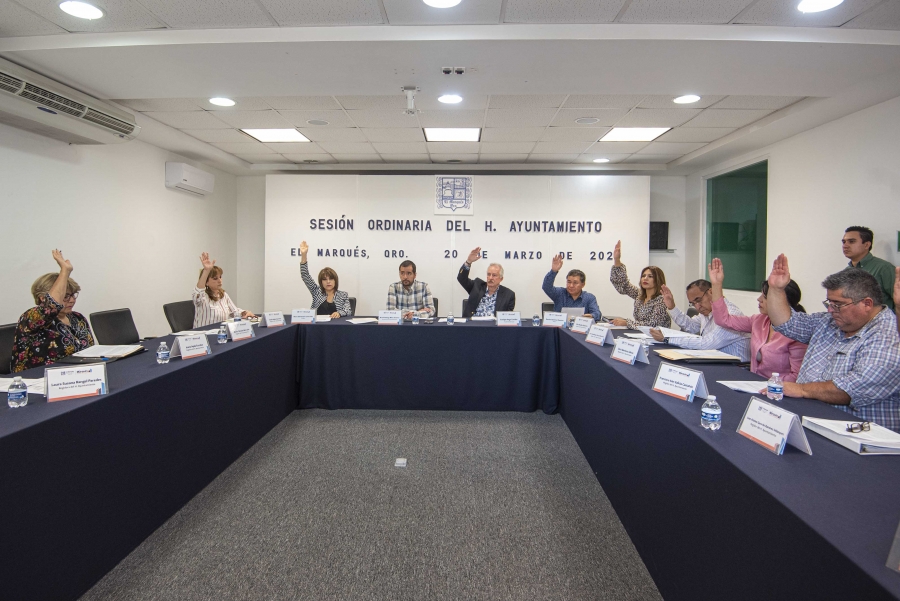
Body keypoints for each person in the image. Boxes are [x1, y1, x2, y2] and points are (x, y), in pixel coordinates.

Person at [768, 254, 900, 432]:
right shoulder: (830, 322)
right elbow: (787, 324)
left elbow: (855, 387)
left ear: (867, 304)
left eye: (837, 304)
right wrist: (776, 289)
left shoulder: (889, 333)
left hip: (858, 435)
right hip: (813, 423)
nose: (830, 310)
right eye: (829, 303)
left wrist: (802, 390)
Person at [708, 257, 807, 382]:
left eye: (765, 297)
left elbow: (797, 377)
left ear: (781, 300)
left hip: (778, 389)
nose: (759, 299)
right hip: (753, 384)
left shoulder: (798, 331)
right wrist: (717, 285)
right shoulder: (759, 320)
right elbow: (723, 320)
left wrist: (769, 386)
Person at [11, 249, 95, 372]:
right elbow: (52, 306)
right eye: (65, 296)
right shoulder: (31, 317)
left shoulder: (78, 318)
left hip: (77, 375)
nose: (72, 300)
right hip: (37, 378)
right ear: (43, 298)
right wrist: (65, 271)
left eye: (73, 295)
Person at [650, 279, 751, 362]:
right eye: (693, 304)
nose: (697, 307)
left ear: (711, 292)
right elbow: (691, 326)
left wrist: (668, 339)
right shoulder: (707, 312)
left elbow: (706, 344)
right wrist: (672, 307)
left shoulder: (730, 314)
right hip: (715, 362)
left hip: (737, 369)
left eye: (698, 300)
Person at [608, 240, 671, 329]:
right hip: (639, 335)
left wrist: (626, 322)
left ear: (658, 280)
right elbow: (624, 286)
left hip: (656, 336)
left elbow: (652, 324)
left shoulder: (662, 300)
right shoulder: (640, 295)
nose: (645, 278)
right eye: (643, 276)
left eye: (650, 276)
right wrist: (617, 260)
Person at [192, 252, 255, 327]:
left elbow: (234, 312)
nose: (219, 281)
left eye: (220, 277)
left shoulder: (223, 295)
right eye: (215, 278)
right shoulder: (203, 297)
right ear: (206, 282)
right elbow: (198, 292)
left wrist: (244, 313)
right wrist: (206, 271)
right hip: (203, 332)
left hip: (220, 331)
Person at [842, 226, 896, 311]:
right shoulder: (845, 272)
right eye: (844, 242)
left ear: (866, 245)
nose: (845, 246)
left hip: (880, 318)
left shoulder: (883, 268)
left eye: (851, 241)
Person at [457, 247, 516, 318]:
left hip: (493, 325)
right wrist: (468, 262)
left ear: (501, 279)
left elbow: (507, 319)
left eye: (494, 275)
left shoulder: (509, 295)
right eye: (488, 274)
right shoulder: (477, 286)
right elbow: (461, 278)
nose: (490, 278)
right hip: (472, 323)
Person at [298, 241, 352, 318]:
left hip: (336, 324)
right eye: (325, 279)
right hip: (318, 324)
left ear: (335, 281)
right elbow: (305, 275)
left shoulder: (343, 295)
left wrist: (339, 313)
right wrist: (304, 255)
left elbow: (348, 311)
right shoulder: (316, 292)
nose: (328, 282)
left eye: (331, 279)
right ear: (321, 282)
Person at [542, 254, 601, 320]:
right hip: (560, 326)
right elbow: (546, 287)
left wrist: (592, 316)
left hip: (580, 326)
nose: (571, 285)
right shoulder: (560, 293)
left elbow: (597, 314)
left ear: (583, 284)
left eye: (575, 283)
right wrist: (553, 271)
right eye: (569, 282)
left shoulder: (589, 298)